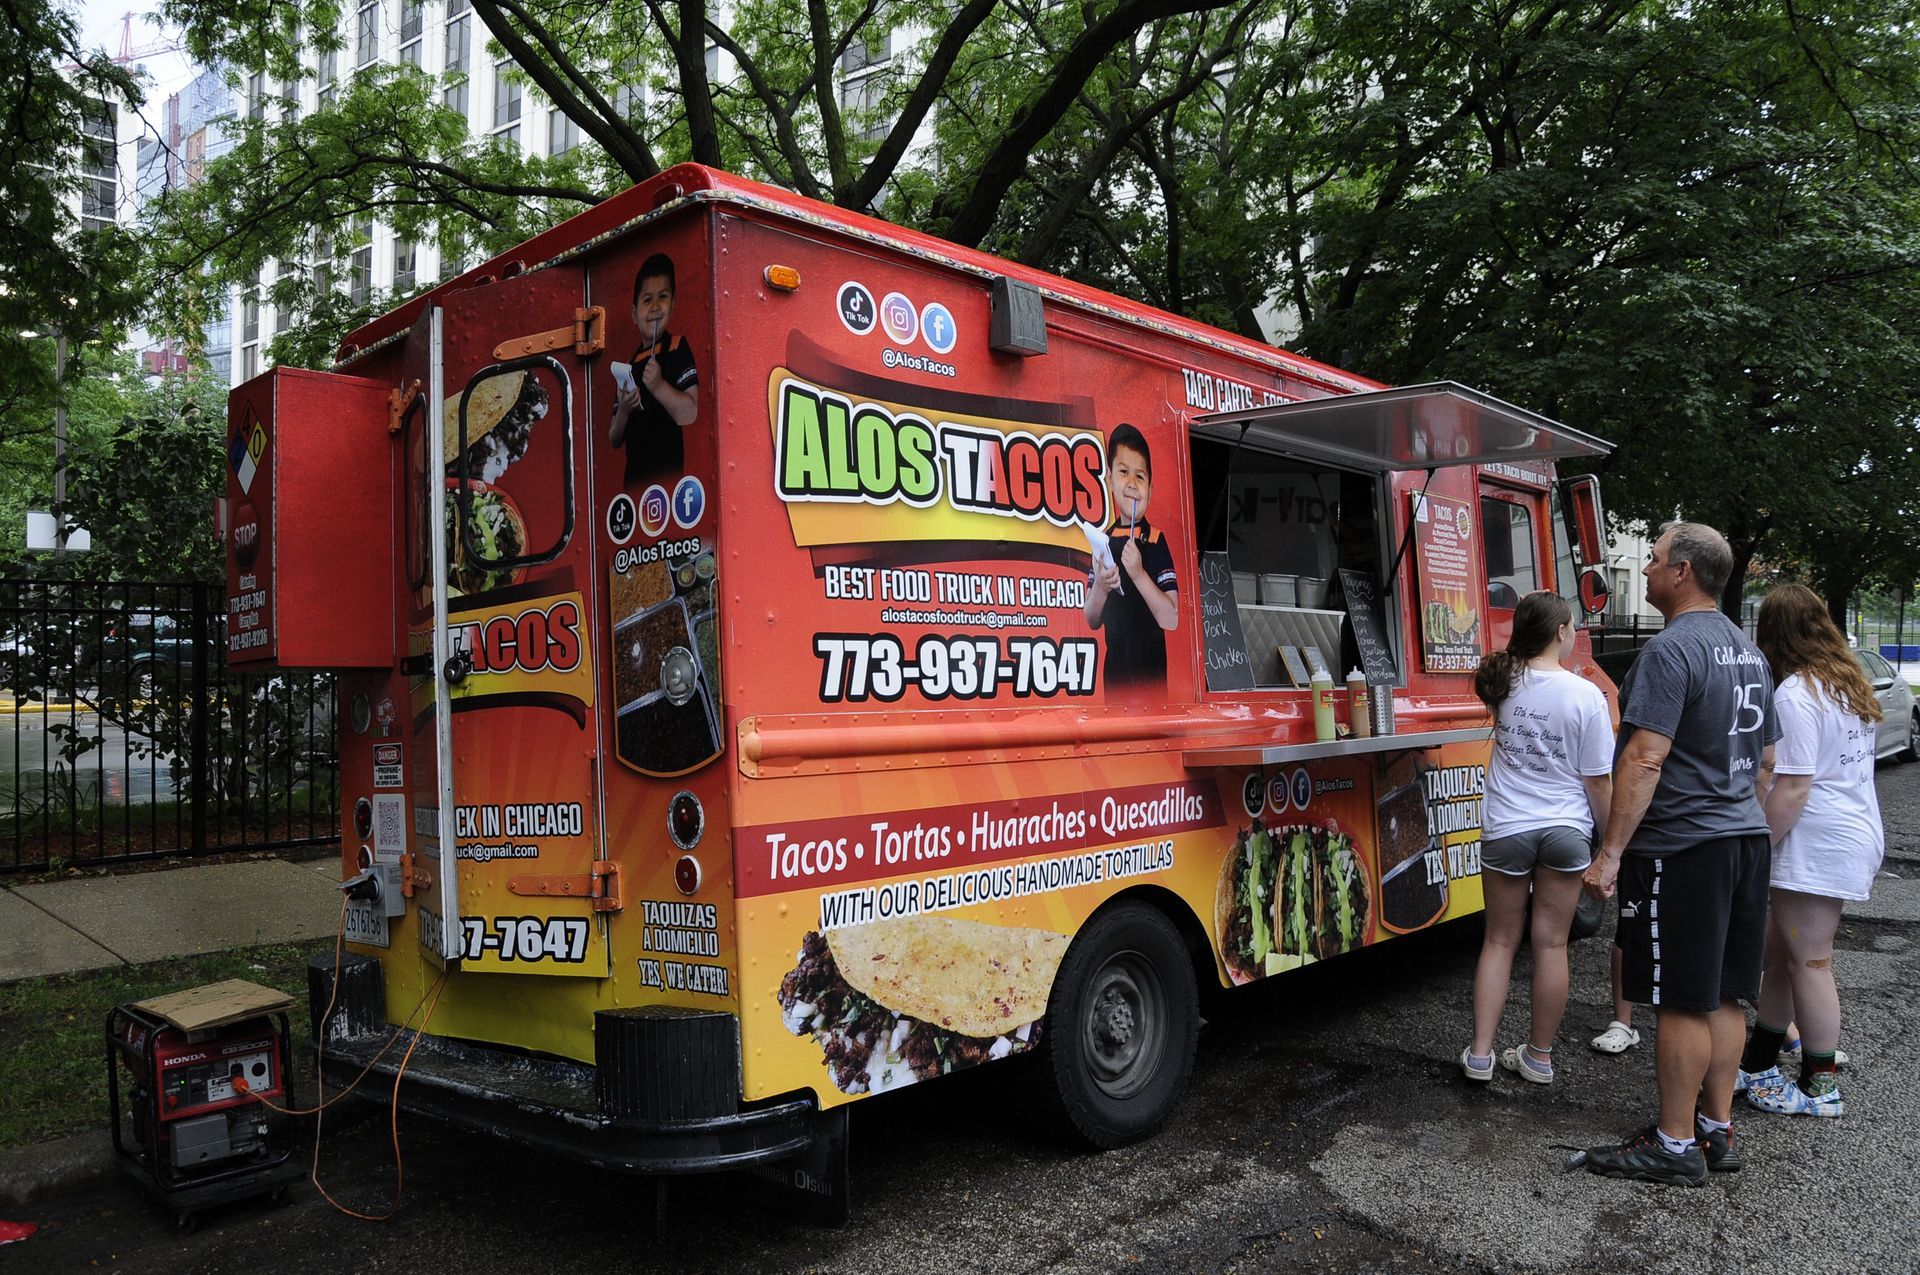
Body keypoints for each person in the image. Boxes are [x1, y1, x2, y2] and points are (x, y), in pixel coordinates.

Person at [1580, 521, 1777, 1187]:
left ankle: (1672, 1143)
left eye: (1657, 559)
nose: (1651, 568)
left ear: (1684, 572)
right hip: (1743, 839)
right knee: (1723, 990)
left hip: (1684, 846)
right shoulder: (1748, 652)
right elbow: (1767, 762)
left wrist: (1610, 852)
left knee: (1679, 998)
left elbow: (1645, 756)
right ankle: (1714, 1128)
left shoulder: (1669, 651)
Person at [1736, 583, 1882, 1117]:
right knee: (1784, 960)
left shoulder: (1796, 693)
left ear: (1771, 634)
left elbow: (1792, 786)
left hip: (1816, 842)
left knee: (1811, 962)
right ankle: (1756, 1064)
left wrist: (1757, 846)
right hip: (1846, 832)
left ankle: (1821, 1087)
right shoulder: (1845, 684)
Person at [1460, 591, 1613, 1085]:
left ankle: (1481, 1054)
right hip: (1566, 830)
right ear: (1561, 632)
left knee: (1499, 941)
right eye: (1571, 626)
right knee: (1551, 945)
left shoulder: (1503, 684)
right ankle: (1538, 1057)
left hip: (1508, 827)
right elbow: (1597, 780)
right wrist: (1610, 846)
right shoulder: (1585, 693)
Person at [1085, 423, 1178, 691]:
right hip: (1114, 678)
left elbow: (1170, 619)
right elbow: (1091, 619)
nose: (1132, 484)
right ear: (1110, 480)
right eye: (1124, 473)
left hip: (1152, 679)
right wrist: (1101, 588)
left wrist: (1138, 574)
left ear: (1151, 488)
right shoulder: (1102, 542)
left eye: (1140, 476)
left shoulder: (1156, 540)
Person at [610, 252, 698, 486]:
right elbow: (614, 438)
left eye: (663, 296)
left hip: (669, 483)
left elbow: (689, 413)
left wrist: (659, 386)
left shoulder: (678, 347)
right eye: (647, 300)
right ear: (634, 314)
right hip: (634, 482)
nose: (656, 307)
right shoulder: (628, 366)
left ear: (673, 304)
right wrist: (624, 411)